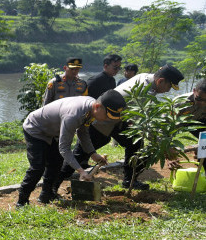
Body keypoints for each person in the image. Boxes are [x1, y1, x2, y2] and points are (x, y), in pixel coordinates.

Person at [55, 64, 185, 191]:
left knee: (135, 143)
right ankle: (54, 183)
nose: (169, 90)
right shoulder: (145, 90)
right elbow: (144, 122)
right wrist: (164, 146)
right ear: (161, 80)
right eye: (169, 86)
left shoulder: (147, 78)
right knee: (82, 151)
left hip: (119, 120)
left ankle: (130, 181)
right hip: (103, 118)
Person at [17, 90, 127, 207]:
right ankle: (22, 201)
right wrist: (81, 171)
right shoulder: (74, 115)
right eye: (107, 115)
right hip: (35, 129)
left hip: (52, 132)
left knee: (56, 163)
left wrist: (93, 154)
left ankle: (46, 195)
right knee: (38, 167)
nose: (107, 119)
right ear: (98, 106)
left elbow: (83, 132)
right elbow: (64, 148)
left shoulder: (91, 109)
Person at [167, 79, 206, 169]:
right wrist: (169, 153)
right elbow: (165, 128)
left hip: (201, 121)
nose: (203, 104)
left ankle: (202, 161)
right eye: (199, 99)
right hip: (183, 122)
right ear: (194, 91)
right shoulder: (179, 103)